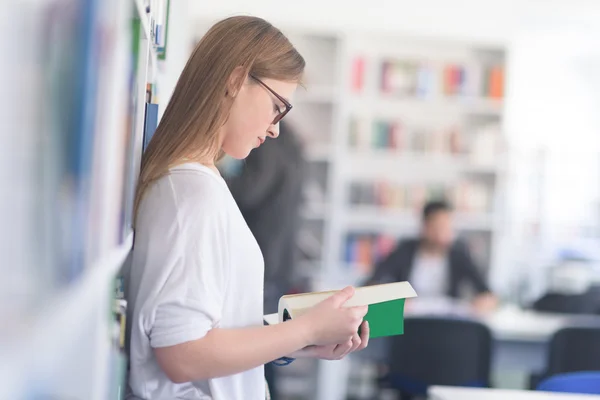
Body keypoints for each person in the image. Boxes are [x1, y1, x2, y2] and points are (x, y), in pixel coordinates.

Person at [126, 16, 369, 400]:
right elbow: (182, 356)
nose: (275, 128)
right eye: (277, 105)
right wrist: (304, 330)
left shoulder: (197, 183)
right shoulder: (193, 192)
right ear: (236, 80)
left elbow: (210, 330)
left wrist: (300, 340)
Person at [223, 120, 306, 399]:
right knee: (267, 344)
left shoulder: (268, 145)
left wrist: (216, 173)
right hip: (279, 258)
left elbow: (250, 190)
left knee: (260, 348)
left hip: (264, 257)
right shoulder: (292, 144)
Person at [365, 199, 498, 312]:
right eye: (438, 227)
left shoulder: (459, 254)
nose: (444, 233)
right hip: (408, 324)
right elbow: (371, 284)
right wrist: (394, 302)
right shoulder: (404, 251)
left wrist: (481, 304)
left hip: (446, 326)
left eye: (448, 227)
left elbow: (487, 295)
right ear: (425, 226)